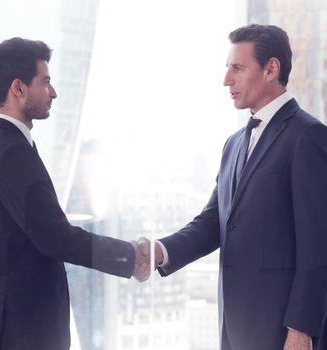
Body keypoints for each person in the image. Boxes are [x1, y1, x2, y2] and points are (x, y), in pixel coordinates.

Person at [138, 24, 327, 349]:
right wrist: (160, 251)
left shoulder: (308, 137)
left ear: (271, 68)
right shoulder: (233, 144)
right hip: (234, 326)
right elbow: (214, 223)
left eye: (238, 68)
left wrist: (301, 329)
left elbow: (318, 245)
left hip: (282, 330)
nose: (227, 79)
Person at [0, 37, 149, 350]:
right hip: (21, 330)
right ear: (18, 88)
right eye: (45, 82)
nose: (53, 92)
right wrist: (129, 256)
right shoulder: (12, 154)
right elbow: (55, 238)